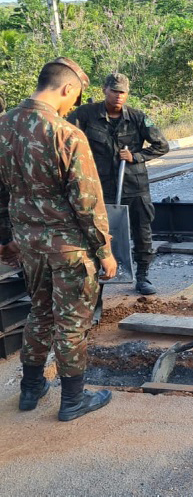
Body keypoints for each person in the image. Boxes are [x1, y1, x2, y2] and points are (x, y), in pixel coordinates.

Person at [0, 57, 116, 421]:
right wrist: (105, 251)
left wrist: (6, 239)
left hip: (28, 245)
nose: (72, 106)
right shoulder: (66, 133)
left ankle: (30, 389)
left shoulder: (3, 127)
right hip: (69, 248)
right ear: (67, 88)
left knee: (39, 312)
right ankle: (73, 400)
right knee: (71, 322)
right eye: (74, 98)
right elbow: (87, 201)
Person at [68, 73, 169, 295]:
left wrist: (136, 156)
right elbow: (66, 138)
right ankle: (98, 278)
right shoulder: (86, 115)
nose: (118, 96)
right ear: (104, 89)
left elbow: (162, 145)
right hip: (100, 188)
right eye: (114, 91)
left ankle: (142, 276)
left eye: (122, 92)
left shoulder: (137, 118)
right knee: (98, 233)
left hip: (134, 186)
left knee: (142, 232)